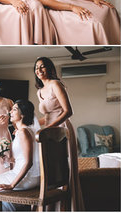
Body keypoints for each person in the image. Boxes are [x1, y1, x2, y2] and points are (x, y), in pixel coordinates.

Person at [0, 99, 42, 211]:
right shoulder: (25, 130)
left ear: (23, 114)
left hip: (26, 178)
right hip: (27, 175)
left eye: (14, 109)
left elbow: (29, 163)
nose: (10, 112)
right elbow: (22, 157)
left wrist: (12, 185)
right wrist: (8, 159)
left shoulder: (23, 132)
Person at [35, 57, 83, 210]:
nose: (39, 70)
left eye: (43, 67)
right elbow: (47, 116)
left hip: (62, 129)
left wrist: (49, 127)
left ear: (49, 68)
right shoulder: (39, 92)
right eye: (36, 68)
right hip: (48, 132)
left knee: (64, 168)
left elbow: (68, 111)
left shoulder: (55, 84)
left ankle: (69, 206)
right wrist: (31, 126)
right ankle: (52, 207)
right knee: (51, 169)